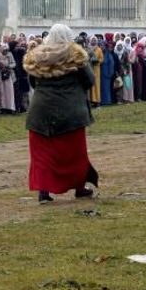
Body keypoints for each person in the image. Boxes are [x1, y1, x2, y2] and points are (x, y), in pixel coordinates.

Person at [23, 24, 99, 203]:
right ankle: (79, 188)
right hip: (70, 112)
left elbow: (33, 82)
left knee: (43, 155)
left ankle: (44, 192)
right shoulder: (76, 56)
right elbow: (89, 80)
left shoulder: (37, 56)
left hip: (41, 112)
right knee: (74, 153)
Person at [0, 42, 17, 113]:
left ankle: (10, 107)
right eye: (4, 49)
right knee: (2, 92)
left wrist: (9, 66)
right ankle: (2, 107)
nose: (5, 51)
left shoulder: (10, 54)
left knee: (9, 91)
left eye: (6, 49)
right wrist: (1, 65)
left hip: (8, 75)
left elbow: (14, 64)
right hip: (0, 75)